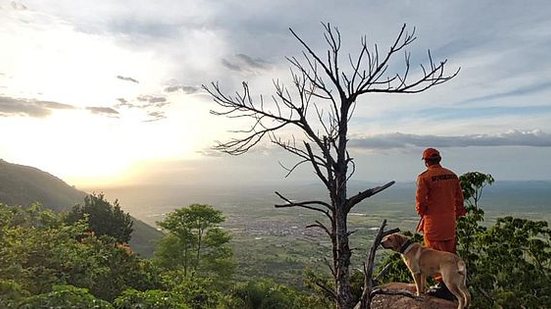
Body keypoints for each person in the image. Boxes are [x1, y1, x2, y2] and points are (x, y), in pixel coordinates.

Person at [415, 147, 466, 300]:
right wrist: (455, 214)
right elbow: (459, 200)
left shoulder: (424, 177)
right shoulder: (452, 175)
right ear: (439, 159)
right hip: (450, 223)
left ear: (426, 162)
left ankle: (442, 286)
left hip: (433, 224)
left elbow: (420, 202)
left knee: (434, 256)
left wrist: (423, 213)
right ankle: (451, 285)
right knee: (449, 254)